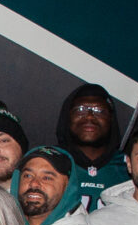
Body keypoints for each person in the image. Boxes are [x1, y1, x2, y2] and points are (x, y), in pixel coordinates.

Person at [53, 84, 127, 215]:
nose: (89, 117)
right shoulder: (49, 161)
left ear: (111, 118)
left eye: (99, 111)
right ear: (67, 116)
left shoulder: (128, 167)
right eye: (80, 109)